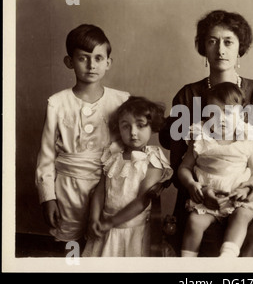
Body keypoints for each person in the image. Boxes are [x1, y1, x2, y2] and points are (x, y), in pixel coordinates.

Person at [159, 9, 253, 257]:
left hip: (249, 196)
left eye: (228, 42)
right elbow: (179, 163)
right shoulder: (188, 97)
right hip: (200, 198)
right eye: (212, 41)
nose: (220, 50)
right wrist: (199, 190)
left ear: (240, 48)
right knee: (200, 235)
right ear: (204, 49)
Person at [35, 24, 130, 249]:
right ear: (69, 62)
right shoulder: (57, 103)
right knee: (70, 242)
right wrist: (47, 197)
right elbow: (46, 154)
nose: (91, 65)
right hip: (68, 186)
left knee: (105, 242)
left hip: (110, 184)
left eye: (98, 58)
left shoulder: (122, 101)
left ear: (108, 62)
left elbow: (133, 145)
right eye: (83, 58)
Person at [179, 82, 253, 257]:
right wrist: (191, 184)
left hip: (238, 195)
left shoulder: (246, 137)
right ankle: (186, 263)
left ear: (241, 115)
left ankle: (227, 257)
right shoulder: (200, 136)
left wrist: (246, 188)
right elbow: (184, 167)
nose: (220, 119)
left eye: (228, 113)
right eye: (213, 113)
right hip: (208, 197)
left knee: (242, 215)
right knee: (194, 222)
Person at [82, 96, 173, 257]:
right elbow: (100, 191)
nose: (133, 133)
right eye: (126, 126)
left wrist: (111, 222)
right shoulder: (113, 156)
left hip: (133, 231)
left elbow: (142, 201)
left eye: (140, 126)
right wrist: (94, 218)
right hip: (105, 226)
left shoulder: (152, 159)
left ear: (152, 127)